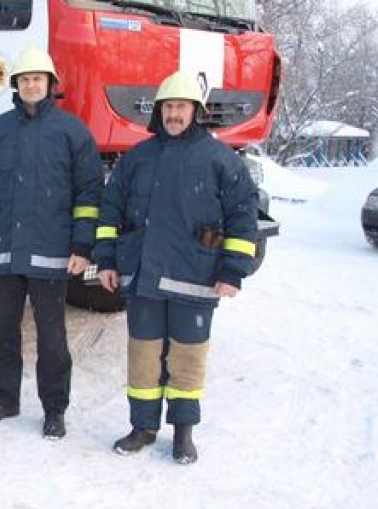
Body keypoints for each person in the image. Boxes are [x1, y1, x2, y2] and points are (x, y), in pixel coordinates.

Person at [94, 70, 260, 464]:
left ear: (195, 111)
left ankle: (183, 433)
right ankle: (142, 427)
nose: (174, 114)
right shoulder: (137, 158)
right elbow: (110, 210)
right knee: (144, 356)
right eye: (168, 107)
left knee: (187, 357)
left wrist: (232, 270)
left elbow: (243, 216)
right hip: (144, 277)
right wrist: (106, 259)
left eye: (181, 107)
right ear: (158, 112)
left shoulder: (220, 160)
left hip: (196, 278)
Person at [0, 46, 103, 439]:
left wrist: (82, 248)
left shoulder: (72, 132)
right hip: (4, 255)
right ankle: (5, 400)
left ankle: (54, 410)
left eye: (37, 79)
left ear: (50, 84)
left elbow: (88, 196)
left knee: (53, 340)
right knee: (2, 334)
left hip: (52, 257)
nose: (31, 84)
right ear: (15, 86)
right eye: (24, 79)